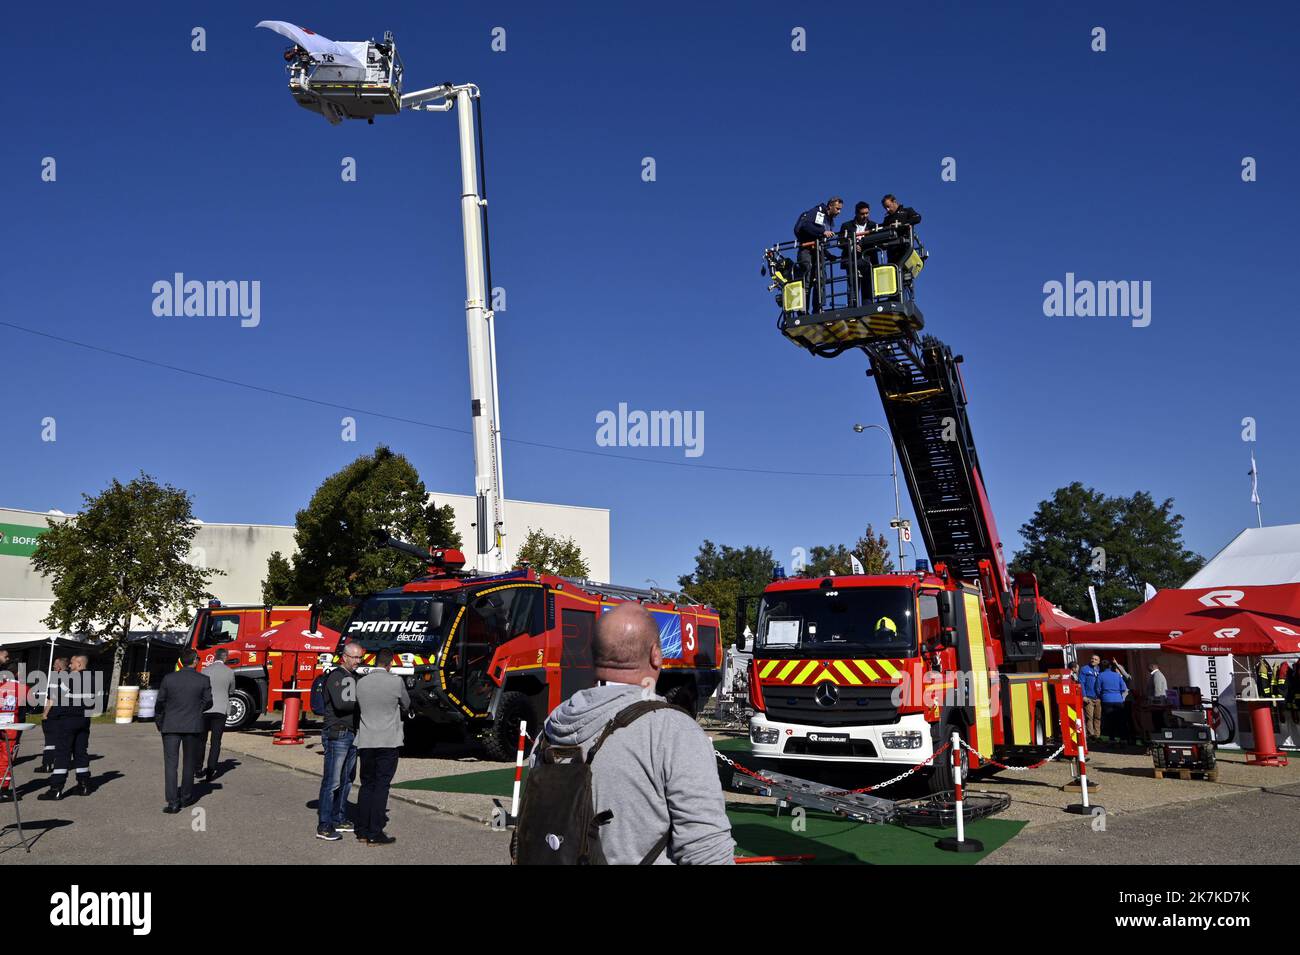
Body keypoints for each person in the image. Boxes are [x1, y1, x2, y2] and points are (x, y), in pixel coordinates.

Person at [529, 602, 735, 865]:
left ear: (595, 655)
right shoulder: (672, 731)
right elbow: (706, 850)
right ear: (656, 656)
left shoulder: (552, 726)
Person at [354, 647, 409, 846]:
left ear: (375, 662)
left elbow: (358, 705)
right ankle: (375, 832)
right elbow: (406, 703)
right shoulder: (395, 681)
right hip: (388, 740)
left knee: (366, 784)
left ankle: (361, 829)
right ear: (390, 663)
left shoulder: (361, 683)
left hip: (366, 740)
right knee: (381, 786)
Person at [155, 649, 213, 814]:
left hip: (171, 724)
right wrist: (198, 710)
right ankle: (186, 796)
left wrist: (160, 721)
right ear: (195, 661)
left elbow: (160, 702)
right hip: (193, 725)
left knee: (170, 764)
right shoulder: (203, 679)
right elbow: (208, 701)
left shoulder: (169, 678)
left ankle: (173, 801)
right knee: (189, 763)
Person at [316, 642, 363, 842]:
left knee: (347, 780)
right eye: (354, 657)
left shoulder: (354, 678)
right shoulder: (336, 676)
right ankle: (324, 824)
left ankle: (339, 817)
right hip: (337, 734)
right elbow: (342, 704)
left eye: (360, 657)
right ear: (344, 657)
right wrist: (363, 700)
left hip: (351, 734)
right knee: (332, 781)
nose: (358, 661)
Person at [38, 654, 97, 800]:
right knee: (81, 752)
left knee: (62, 754)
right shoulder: (93, 679)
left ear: (78, 663)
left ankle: (56, 789)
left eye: (71, 663)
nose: (69, 666)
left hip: (67, 721)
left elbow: (56, 698)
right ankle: (84, 785)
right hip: (83, 720)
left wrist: (48, 715)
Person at [793, 197, 843, 311]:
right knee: (807, 278)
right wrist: (823, 231)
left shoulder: (829, 219)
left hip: (818, 252)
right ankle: (803, 311)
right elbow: (806, 226)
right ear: (830, 206)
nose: (839, 212)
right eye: (837, 209)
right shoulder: (818, 212)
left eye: (840, 210)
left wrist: (828, 255)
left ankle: (817, 309)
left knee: (820, 279)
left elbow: (819, 239)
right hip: (807, 251)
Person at [198, 648, 234, 783]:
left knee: (201, 740)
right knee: (216, 741)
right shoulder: (230, 672)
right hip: (221, 709)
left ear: (214, 657)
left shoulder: (205, 671)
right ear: (225, 658)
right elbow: (232, 690)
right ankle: (211, 770)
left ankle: (198, 767)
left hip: (205, 709)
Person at [838, 201, 877, 302]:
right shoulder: (846, 226)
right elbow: (840, 242)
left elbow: (878, 241)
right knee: (852, 287)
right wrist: (852, 246)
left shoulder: (873, 225)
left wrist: (863, 246)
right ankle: (852, 307)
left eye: (867, 213)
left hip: (868, 259)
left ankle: (867, 308)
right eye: (862, 214)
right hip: (851, 260)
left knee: (868, 287)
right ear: (856, 213)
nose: (865, 216)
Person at [37, 656, 69, 773]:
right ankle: (59, 763)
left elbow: (52, 698)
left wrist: (45, 713)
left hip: (55, 712)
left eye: (55, 664)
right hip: (66, 713)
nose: (53, 666)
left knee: (50, 740)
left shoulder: (57, 677)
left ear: (59, 667)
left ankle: (47, 764)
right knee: (61, 739)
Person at [881, 194, 922, 265]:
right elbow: (882, 228)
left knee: (904, 271)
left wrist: (901, 224)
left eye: (888, 206)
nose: (887, 209)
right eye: (885, 208)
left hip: (905, 248)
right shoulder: (887, 219)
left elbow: (917, 218)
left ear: (894, 202)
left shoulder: (907, 211)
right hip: (892, 251)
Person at [1097, 659, 1130, 745]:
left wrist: (1103, 694)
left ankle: (1112, 739)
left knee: (1109, 720)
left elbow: (1097, 689)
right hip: (1118, 699)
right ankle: (1123, 739)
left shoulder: (1100, 676)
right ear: (1110, 666)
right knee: (1121, 720)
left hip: (1106, 699)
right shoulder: (1117, 675)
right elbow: (1123, 688)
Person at [1079, 653, 1102, 740]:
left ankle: (1097, 735)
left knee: (1098, 717)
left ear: (1099, 662)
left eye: (1096, 659)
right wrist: (1084, 696)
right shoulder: (1084, 669)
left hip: (1098, 698)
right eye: (1092, 658)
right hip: (1089, 698)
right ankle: (1091, 735)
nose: (1093, 660)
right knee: (1089, 717)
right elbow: (1081, 683)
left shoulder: (1100, 670)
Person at [1146, 660, 1169, 732]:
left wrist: (1154, 704)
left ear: (1153, 666)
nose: (1147, 668)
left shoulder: (1157, 675)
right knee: (1157, 720)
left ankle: (1161, 736)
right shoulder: (1155, 675)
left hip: (1158, 704)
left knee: (1158, 720)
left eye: (1148, 666)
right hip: (1158, 703)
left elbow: (1157, 690)